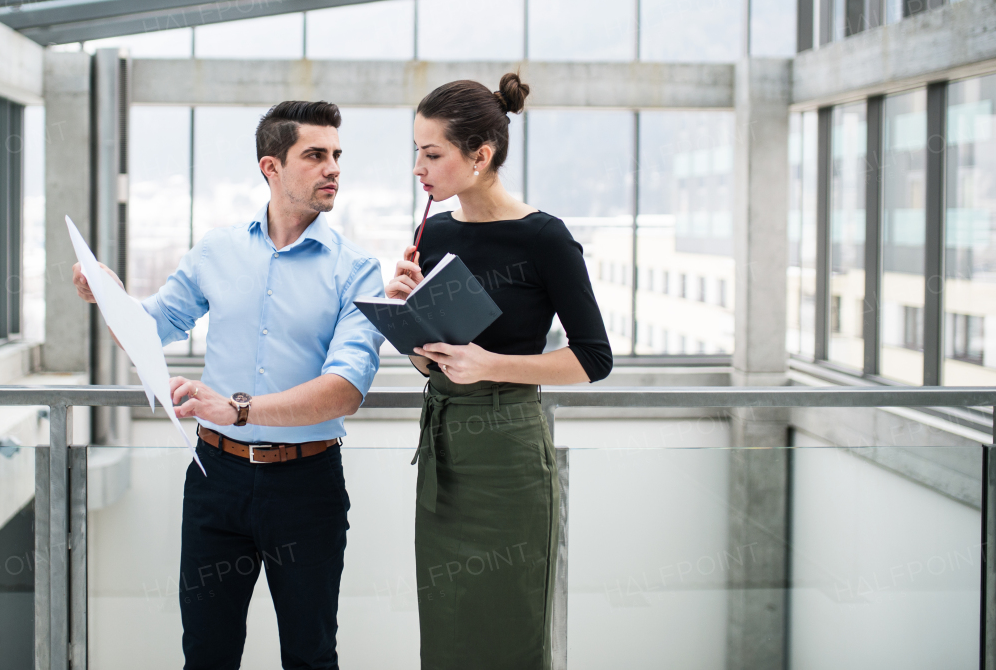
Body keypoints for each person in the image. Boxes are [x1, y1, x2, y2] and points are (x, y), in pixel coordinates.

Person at [73, 100, 385, 670]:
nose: (332, 168)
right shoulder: (217, 251)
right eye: (315, 155)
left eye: (336, 155)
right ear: (271, 167)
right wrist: (110, 296)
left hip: (307, 487)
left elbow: (346, 388)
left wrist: (238, 407)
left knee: (311, 656)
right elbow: (154, 329)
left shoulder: (357, 270)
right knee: (207, 655)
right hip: (216, 482)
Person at [385, 73, 613, 670]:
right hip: (443, 450)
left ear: (480, 156)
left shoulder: (544, 238)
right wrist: (409, 321)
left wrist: (490, 364)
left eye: (432, 154)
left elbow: (593, 358)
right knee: (445, 629)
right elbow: (428, 359)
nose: (419, 167)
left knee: (511, 628)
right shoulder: (431, 233)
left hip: (509, 454)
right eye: (416, 152)